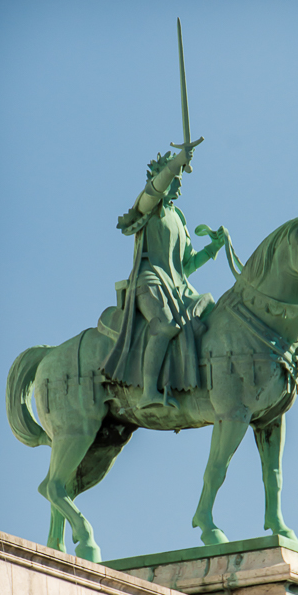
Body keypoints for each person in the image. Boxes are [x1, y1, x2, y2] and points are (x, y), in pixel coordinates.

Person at [100, 144, 224, 408]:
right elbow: (153, 190)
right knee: (165, 324)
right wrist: (176, 162)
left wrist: (213, 248)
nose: (178, 183)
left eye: (179, 178)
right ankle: (148, 394)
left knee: (209, 311)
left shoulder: (177, 217)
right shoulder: (149, 206)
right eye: (174, 178)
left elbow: (186, 265)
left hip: (176, 287)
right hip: (150, 282)